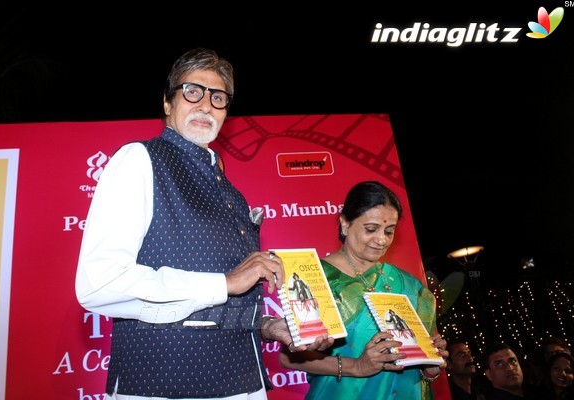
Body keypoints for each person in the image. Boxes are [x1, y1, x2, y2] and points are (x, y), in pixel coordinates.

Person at [75, 47, 332, 400]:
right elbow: (99, 283)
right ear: (168, 103)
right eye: (192, 91)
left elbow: (225, 304)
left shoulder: (233, 194)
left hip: (244, 382)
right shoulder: (140, 160)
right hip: (165, 383)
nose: (206, 105)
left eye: (218, 97)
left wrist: (271, 327)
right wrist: (225, 281)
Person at [279, 180, 448, 400]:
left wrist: (430, 366)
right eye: (371, 229)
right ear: (345, 223)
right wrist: (357, 366)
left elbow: (421, 365)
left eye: (389, 231)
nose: (381, 240)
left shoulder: (410, 285)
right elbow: (288, 358)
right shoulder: (315, 277)